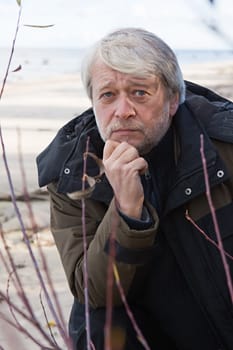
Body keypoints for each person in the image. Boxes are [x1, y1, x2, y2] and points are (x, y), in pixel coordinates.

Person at [36, 27, 233, 350]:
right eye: (108, 95)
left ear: (172, 100)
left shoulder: (222, 147)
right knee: (98, 322)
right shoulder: (73, 175)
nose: (123, 110)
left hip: (221, 326)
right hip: (138, 335)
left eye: (140, 93)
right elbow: (95, 292)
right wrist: (127, 212)